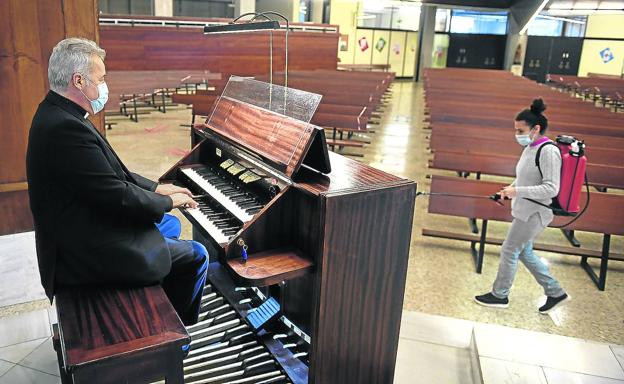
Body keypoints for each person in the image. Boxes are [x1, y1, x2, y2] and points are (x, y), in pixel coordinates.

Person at [26, 38, 208, 325]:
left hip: (82, 225)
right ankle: (171, 334)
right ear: (79, 80)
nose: (103, 85)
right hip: (82, 251)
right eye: (100, 78)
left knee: (169, 225)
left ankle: (155, 294)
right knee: (198, 254)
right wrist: (168, 201)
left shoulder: (59, 113)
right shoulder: (64, 129)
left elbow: (107, 173)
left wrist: (156, 188)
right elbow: (115, 194)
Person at [474, 98, 570, 314]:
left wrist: (516, 192)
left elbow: (551, 188)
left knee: (509, 249)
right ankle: (556, 292)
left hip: (535, 212)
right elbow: (524, 178)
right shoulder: (531, 147)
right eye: (516, 130)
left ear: (536, 129)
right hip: (525, 210)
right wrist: (507, 191)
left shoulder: (548, 151)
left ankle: (500, 295)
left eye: (521, 130)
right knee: (524, 252)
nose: (517, 135)